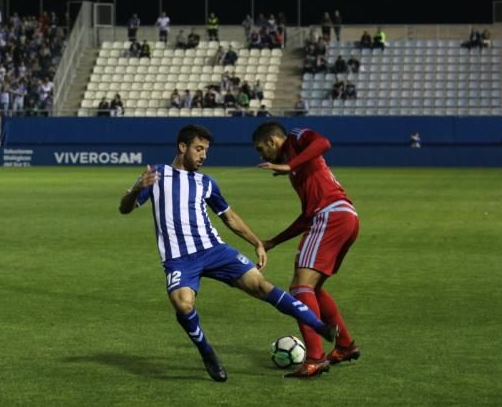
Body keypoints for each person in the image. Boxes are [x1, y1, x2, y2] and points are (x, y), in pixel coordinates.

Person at [119, 124, 339, 382]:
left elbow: (230, 217)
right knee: (183, 304)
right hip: (179, 259)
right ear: (182, 147)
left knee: (260, 285)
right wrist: (135, 189)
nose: (203, 156)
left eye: (206, 151)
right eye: (199, 149)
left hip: (214, 250)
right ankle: (208, 353)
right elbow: (125, 208)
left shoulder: (206, 182)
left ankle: (319, 326)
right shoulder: (156, 174)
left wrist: (257, 242)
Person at [251, 121, 362, 378]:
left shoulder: (296, 137)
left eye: (260, 149)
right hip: (342, 217)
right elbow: (305, 216)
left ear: (272, 141)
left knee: (300, 288)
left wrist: (290, 164)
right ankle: (345, 345)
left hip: (331, 215)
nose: (261, 156)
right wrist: (273, 242)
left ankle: (314, 357)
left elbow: (323, 143)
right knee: (313, 288)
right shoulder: (296, 170)